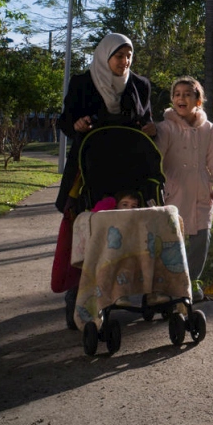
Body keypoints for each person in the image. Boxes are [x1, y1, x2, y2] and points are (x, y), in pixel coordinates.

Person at [51, 33, 154, 325]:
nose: (125, 62)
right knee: (85, 224)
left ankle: (131, 286)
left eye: (129, 56)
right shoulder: (83, 82)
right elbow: (65, 120)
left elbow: (147, 119)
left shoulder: (140, 85)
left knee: (129, 223)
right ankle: (77, 291)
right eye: (119, 56)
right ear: (105, 56)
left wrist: (150, 128)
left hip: (129, 167)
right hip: (89, 166)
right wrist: (77, 124)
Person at [153, 76, 213, 302]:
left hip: (202, 193)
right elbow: (156, 158)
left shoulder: (209, 129)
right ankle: (165, 285)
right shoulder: (165, 128)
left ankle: (192, 281)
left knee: (200, 240)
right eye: (177, 94)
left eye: (187, 94)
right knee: (171, 241)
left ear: (198, 100)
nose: (181, 98)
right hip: (174, 193)